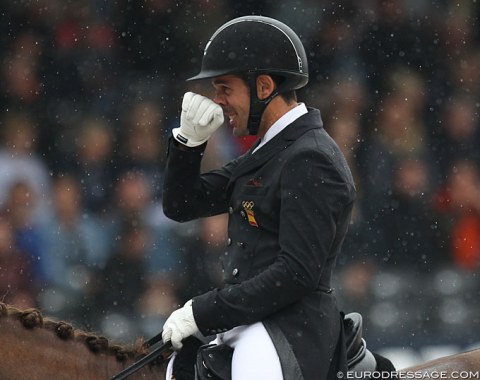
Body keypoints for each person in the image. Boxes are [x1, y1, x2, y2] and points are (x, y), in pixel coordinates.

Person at [161, 16, 356, 380]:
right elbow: (181, 205)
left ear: (264, 86)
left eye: (224, 89)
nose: (218, 103)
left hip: (291, 329)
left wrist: (204, 310)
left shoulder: (310, 158)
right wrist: (189, 143)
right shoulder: (266, 153)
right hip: (249, 319)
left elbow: (297, 272)